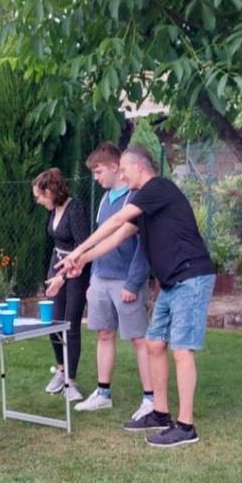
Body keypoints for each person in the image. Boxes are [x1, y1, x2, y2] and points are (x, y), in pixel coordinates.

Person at [58, 145, 215, 448]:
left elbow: (114, 223)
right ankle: (160, 413)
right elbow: (116, 237)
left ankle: (186, 426)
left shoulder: (157, 188)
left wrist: (77, 250)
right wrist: (81, 261)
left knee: (181, 350)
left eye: (125, 169)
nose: (123, 174)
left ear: (139, 167)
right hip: (171, 282)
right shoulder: (144, 203)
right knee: (154, 344)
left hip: (191, 277)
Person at [74, 142, 155, 421]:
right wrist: (93, 279)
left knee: (139, 339)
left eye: (98, 172)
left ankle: (151, 399)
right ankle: (103, 394)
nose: (96, 178)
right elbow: (101, 241)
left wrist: (133, 283)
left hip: (126, 282)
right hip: (101, 279)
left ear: (114, 167)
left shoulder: (136, 197)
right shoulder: (105, 200)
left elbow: (144, 246)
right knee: (104, 334)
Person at [32, 167, 91, 402]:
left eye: (39, 195)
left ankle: (71, 382)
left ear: (49, 191)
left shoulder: (75, 209)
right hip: (56, 267)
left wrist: (64, 276)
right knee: (54, 322)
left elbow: (83, 247)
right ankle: (61, 370)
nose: (37, 201)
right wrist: (53, 273)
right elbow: (57, 244)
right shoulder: (53, 209)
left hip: (76, 271)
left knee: (70, 324)